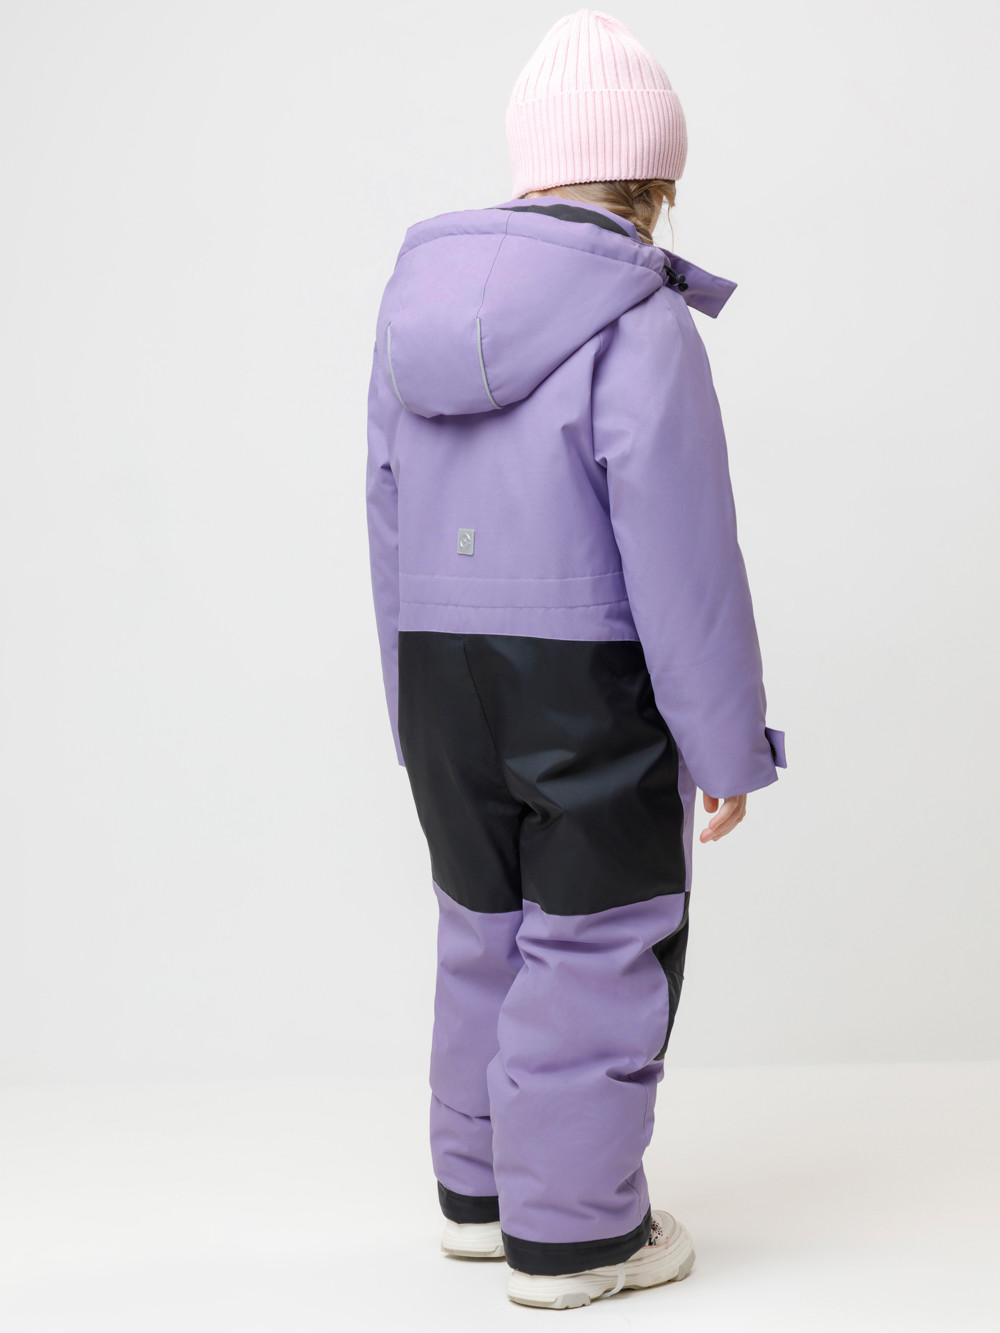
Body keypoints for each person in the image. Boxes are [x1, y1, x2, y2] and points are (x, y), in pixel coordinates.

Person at [364, 7, 786, 1311]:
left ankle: (480, 1195)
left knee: (480, 926)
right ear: (657, 181)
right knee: (596, 944)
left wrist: (410, 706)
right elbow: (684, 557)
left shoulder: (412, 311)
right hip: (584, 685)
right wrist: (727, 743)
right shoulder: (640, 322)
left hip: (441, 674)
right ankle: (578, 1238)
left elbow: (386, 519)